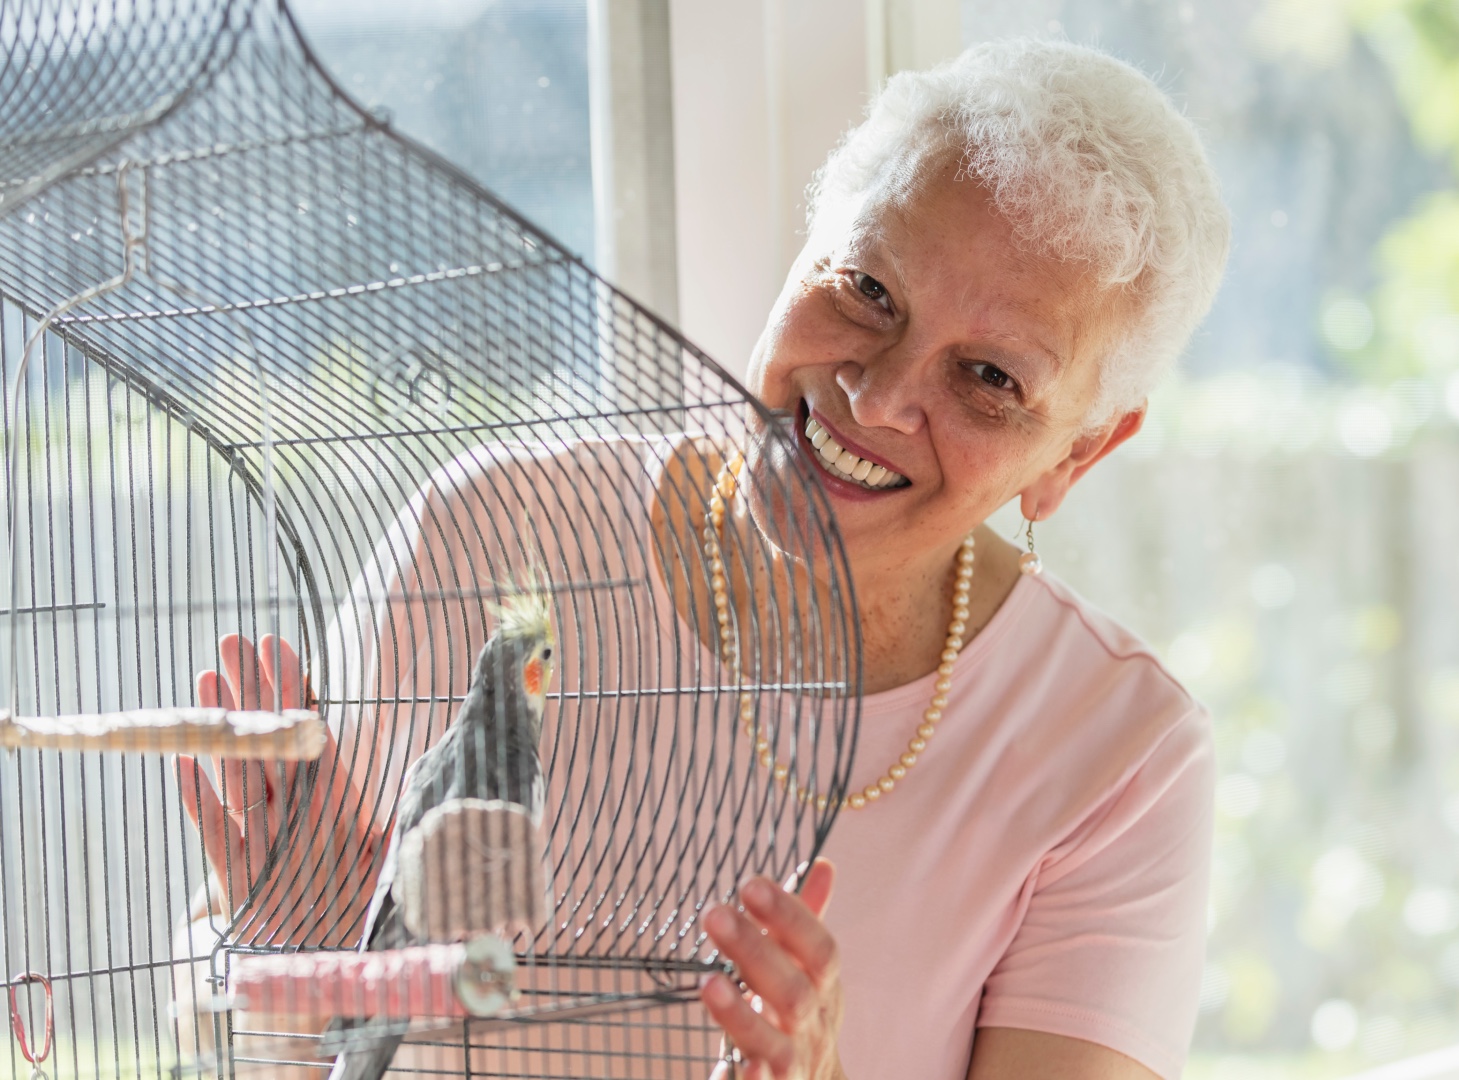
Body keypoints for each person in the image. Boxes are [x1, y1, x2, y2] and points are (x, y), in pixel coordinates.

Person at [174, 37, 1230, 1080]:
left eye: (990, 376)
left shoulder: (1118, 754)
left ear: (1078, 454)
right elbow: (235, 1023)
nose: (874, 394)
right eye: (868, 287)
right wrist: (289, 963)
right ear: (807, 246)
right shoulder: (490, 536)